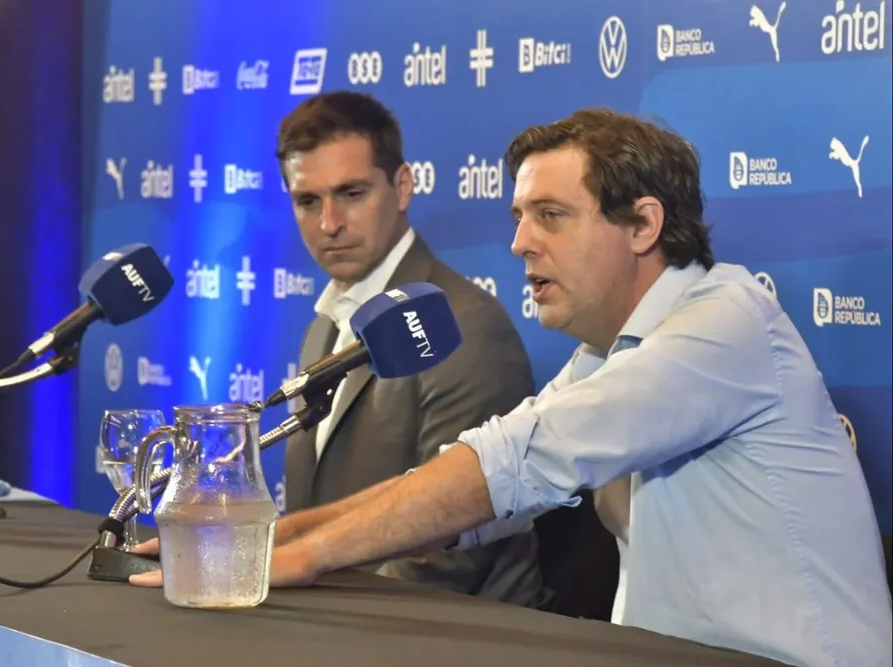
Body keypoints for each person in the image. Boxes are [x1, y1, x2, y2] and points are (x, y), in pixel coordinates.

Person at [260, 109, 892, 666]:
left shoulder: (726, 324)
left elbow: (521, 461)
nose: (519, 243)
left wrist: (310, 555)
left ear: (643, 226)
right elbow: (497, 470)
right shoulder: (610, 347)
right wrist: (282, 538)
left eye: (551, 217)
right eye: (519, 217)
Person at [133, 91, 561, 609]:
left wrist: (289, 599)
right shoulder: (329, 318)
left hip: (450, 635)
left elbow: (451, 550)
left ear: (402, 187)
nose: (328, 224)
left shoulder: (463, 324)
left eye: (352, 194)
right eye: (307, 201)